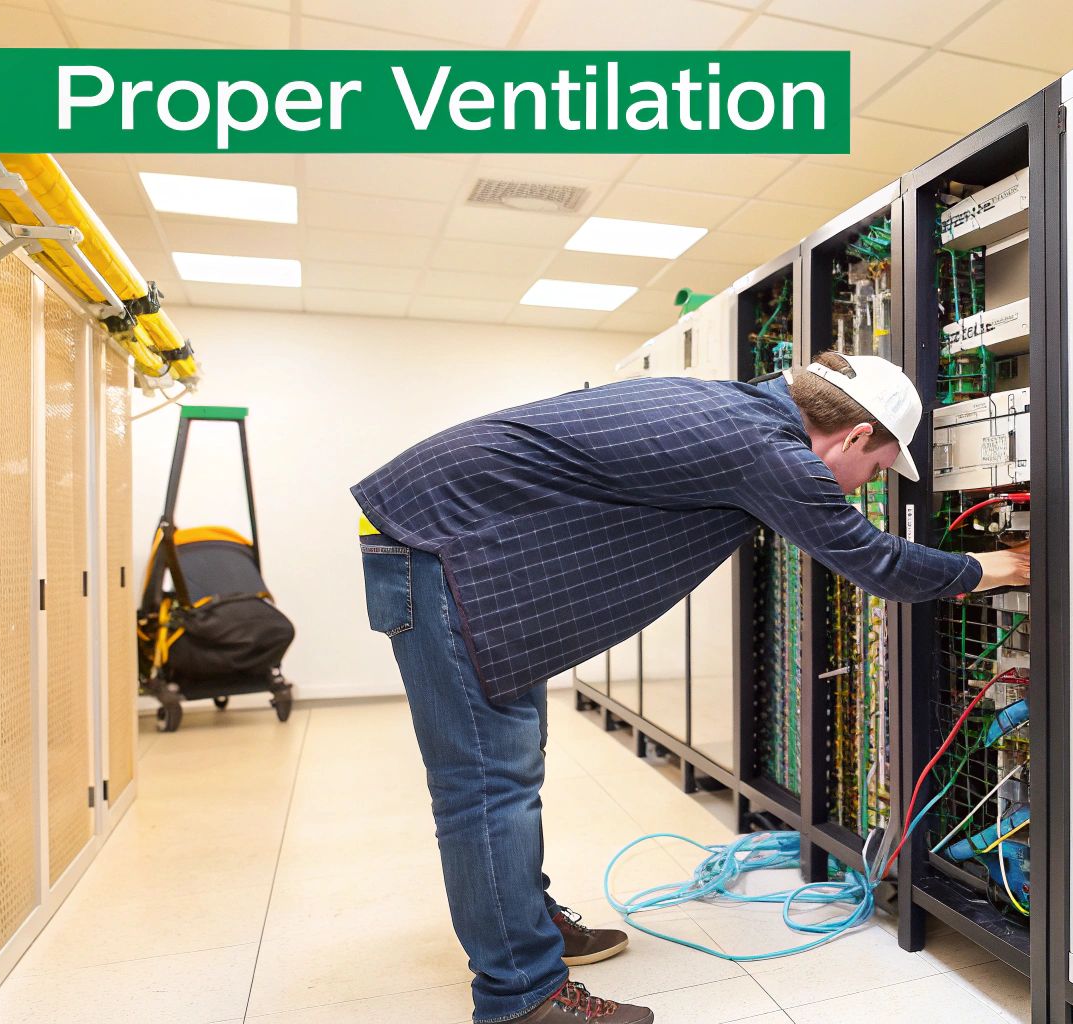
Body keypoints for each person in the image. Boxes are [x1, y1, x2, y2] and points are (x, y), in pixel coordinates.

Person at [353, 351, 1032, 1024]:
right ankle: (520, 996)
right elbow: (876, 560)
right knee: (485, 786)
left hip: (460, 552)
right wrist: (1004, 563)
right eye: (877, 467)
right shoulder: (769, 450)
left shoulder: (739, 411)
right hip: (439, 550)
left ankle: (524, 924)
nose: (862, 484)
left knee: (511, 770)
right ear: (854, 436)